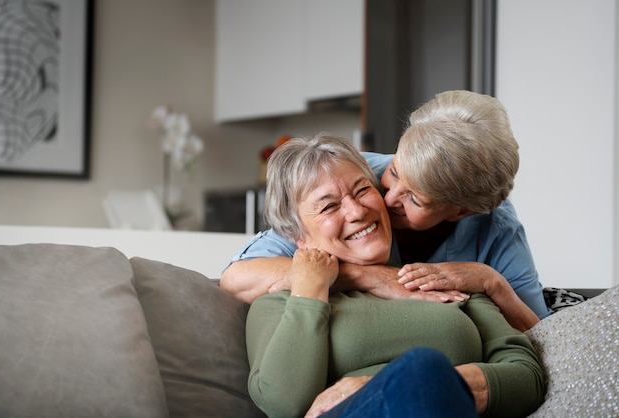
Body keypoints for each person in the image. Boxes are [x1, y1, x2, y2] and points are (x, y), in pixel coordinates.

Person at [246, 134, 545, 417]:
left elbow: (527, 377)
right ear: (299, 237)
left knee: (421, 367)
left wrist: (401, 384)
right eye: (329, 206)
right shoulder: (279, 303)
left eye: (363, 190)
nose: (356, 211)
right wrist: (308, 292)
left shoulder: (443, 283)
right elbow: (283, 405)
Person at [221, 90, 551, 330]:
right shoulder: (353, 179)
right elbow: (238, 278)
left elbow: (544, 336)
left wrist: (490, 282)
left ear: (460, 212)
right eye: (394, 172)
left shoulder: (495, 226)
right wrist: (366, 276)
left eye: (416, 200)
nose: (389, 198)